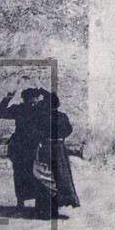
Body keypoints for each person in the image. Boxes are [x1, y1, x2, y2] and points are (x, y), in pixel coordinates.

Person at [30, 90, 80, 219]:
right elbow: (69, 130)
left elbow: (35, 131)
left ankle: (44, 210)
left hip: (46, 147)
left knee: (45, 176)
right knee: (59, 177)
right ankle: (54, 209)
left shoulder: (41, 117)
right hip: (59, 149)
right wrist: (60, 137)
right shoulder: (62, 116)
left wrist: (42, 139)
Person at [0, 87, 43, 214]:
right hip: (28, 145)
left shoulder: (20, 109)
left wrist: (8, 97)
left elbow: (0, 113)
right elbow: (0, 113)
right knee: (32, 173)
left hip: (23, 145)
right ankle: (32, 204)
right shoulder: (36, 109)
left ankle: (23, 203)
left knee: (23, 174)